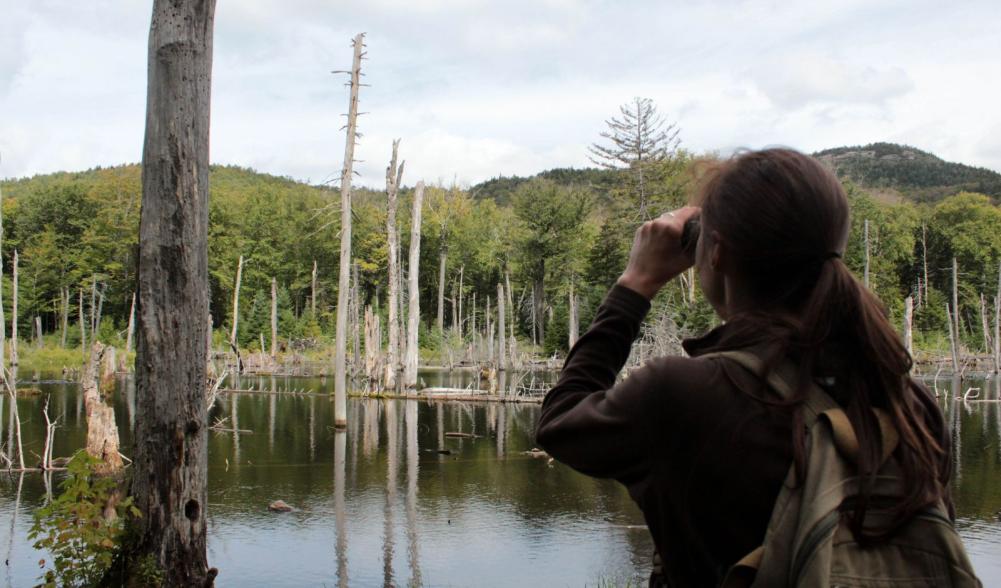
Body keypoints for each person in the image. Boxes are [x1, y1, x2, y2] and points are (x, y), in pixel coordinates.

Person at [535, 148, 954, 587]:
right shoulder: (909, 405)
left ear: (715, 251)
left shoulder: (686, 393)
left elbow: (560, 421)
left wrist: (635, 284)